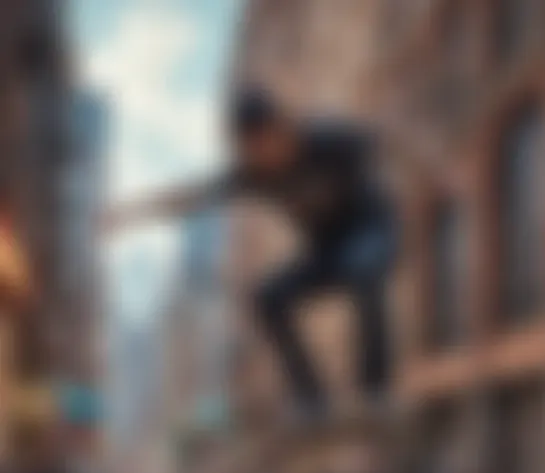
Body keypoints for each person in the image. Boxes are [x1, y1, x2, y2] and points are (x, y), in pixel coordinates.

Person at [105, 87, 398, 419]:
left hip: (371, 232)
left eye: (264, 144)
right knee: (267, 297)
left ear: (281, 127)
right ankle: (312, 399)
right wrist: (128, 214)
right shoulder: (253, 175)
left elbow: (387, 137)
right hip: (326, 252)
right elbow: (190, 196)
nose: (263, 158)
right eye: (251, 151)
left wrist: (434, 163)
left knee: (362, 269)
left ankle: (375, 391)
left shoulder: (329, 139)